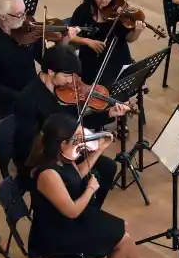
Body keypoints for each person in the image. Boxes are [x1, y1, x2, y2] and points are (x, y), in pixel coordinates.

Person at [27, 113, 171, 258]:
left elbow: (77, 177)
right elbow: (72, 211)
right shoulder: (48, 175)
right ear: (62, 144)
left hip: (67, 221)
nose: (82, 142)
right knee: (124, 240)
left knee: (124, 229)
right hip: (57, 233)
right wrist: (90, 189)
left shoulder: (63, 160)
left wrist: (99, 149)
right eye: (77, 139)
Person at [12, 44, 128, 199]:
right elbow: (27, 145)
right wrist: (62, 155)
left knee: (108, 167)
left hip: (65, 148)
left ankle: (87, 211)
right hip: (44, 159)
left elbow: (76, 121)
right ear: (51, 72)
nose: (71, 80)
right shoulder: (28, 100)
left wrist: (108, 114)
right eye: (67, 76)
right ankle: (72, 212)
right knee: (82, 180)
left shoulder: (63, 91)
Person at [0, 0, 78, 116]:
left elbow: (44, 59)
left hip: (32, 86)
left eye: (24, 12)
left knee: (66, 113)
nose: (24, 18)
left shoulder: (28, 25)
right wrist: (20, 97)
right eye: (19, 14)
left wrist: (62, 44)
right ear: (3, 16)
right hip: (6, 96)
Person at [68, 0, 144, 87]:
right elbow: (71, 36)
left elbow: (129, 38)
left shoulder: (119, 11)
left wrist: (137, 32)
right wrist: (88, 41)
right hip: (91, 65)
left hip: (117, 61)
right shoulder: (83, 11)